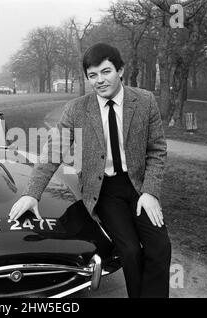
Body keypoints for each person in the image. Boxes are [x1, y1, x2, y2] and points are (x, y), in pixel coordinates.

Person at [9, 42, 171, 298]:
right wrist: (32, 193)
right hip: (104, 189)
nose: (99, 80)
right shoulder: (77, 109)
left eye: (105, 72)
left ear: (121, 70)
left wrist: (150, 192)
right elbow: (53, 153)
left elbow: (157, 150)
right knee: (129, 250)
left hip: (139, 186)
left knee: (160, 248)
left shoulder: (145, 101)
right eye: (92, 75)